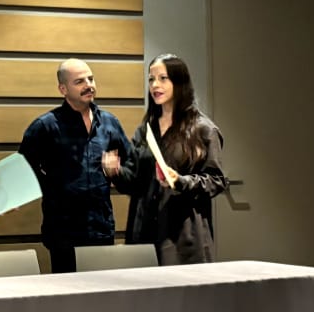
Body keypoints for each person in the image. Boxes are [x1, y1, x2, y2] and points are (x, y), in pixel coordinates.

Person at [108, 53, 228, 264]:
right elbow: (135, 183)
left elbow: (216, 180)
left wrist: (181, 181)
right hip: (144, 232)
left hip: (182, 237)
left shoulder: (203, 129)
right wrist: (116, 172)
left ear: (179, 81)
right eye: (151, 79)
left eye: (163, 78)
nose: (155, 85)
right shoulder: (147, 128)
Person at [19, 58, 134, 274]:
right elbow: (22, 168)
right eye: (79, 81)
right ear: (63, 89)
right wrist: (52, 188)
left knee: (103, 297)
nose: (88, 85)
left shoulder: (110, 122)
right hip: (63, 232)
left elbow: (132, 171)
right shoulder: (45, 126)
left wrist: (116, 171)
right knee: (68, 301)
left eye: (91, 78)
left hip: (101, 228)